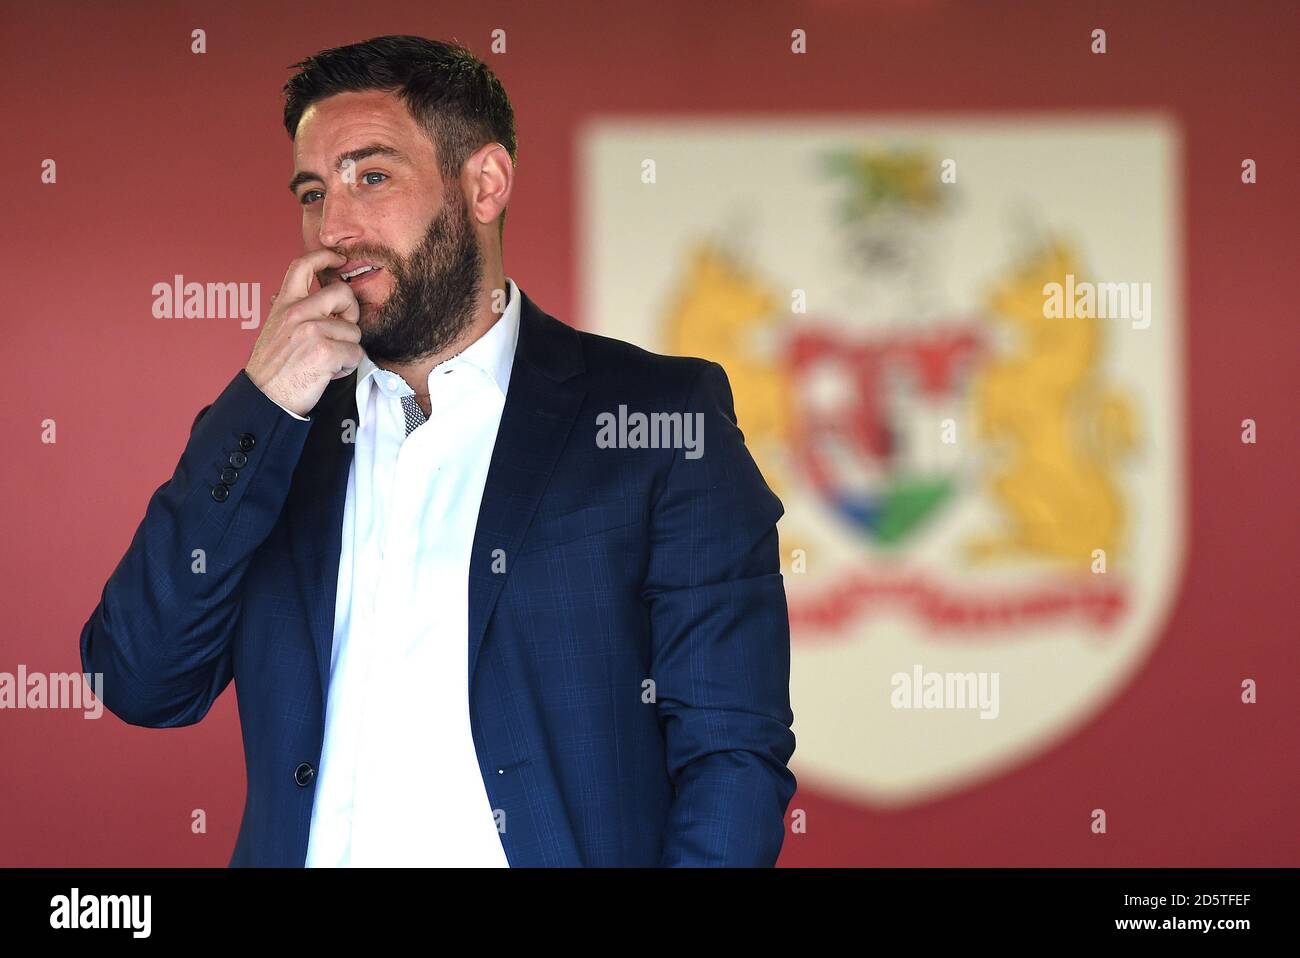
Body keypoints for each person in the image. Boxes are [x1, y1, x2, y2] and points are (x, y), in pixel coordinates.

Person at [80, 34, 796, 867]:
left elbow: (731, 757)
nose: (333, 227)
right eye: (313, 192)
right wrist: (263, 403)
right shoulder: (274, 430)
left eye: (371, 176)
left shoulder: (660, 417)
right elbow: (138, 679)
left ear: (484, 183)